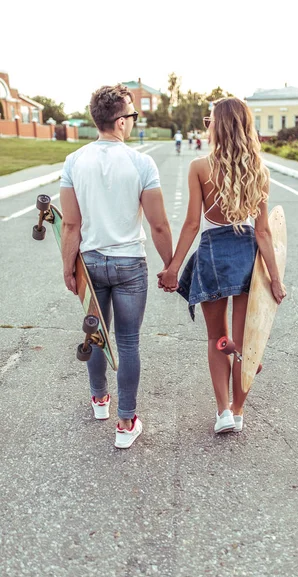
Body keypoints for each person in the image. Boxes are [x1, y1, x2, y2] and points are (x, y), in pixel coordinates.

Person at [158, 97, 286, 434]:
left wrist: (173, 268)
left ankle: (222, 413)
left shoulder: (200, 167)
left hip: (213, 257)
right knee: (247, 342)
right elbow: (263, 232)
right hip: (248, 262)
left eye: (208, 120)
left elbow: (191, 225)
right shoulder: (260, 171)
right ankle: (239, 409)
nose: (206, 125)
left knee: (218, 337)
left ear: (218, 126)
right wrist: (275, 279)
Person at [60, 84, 173, 449]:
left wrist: (67, 267)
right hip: (129, 265)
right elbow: (158, 224)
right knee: (128, 343)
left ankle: (99, 400)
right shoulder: (142, 163)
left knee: (96, 334)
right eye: (132, 116)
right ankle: (126, 423)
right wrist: (170, 265)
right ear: (121, 121)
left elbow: (71, 225)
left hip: (90, 262)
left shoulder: (75, 161)